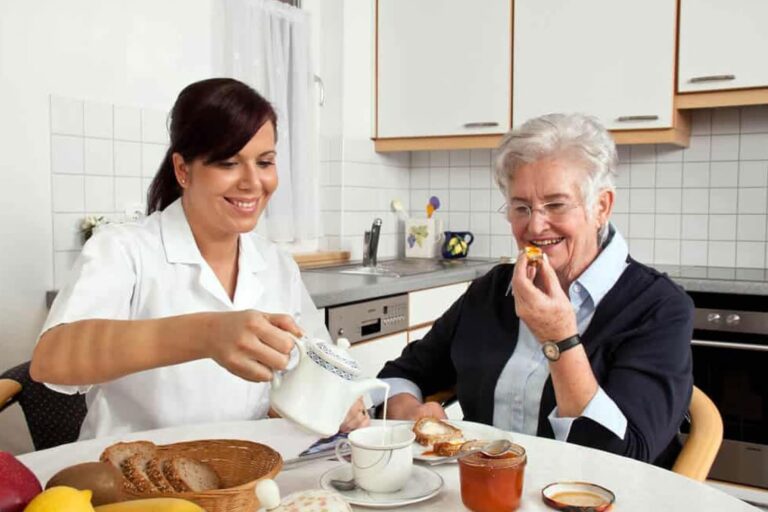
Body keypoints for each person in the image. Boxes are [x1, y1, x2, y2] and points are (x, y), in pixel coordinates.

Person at [31, 78, 370, 440]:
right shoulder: (125, 249)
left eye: (265, 162)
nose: (253, 182)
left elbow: (311, 364)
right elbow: (52, 359)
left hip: (245, 474)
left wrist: (339, 399)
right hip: (133, 480)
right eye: (228, 163)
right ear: (183, 170)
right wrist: (207, 334)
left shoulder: (275, 264)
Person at [378, 113, 694, 465]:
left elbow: (624, 459)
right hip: (484, 492)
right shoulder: (490, 291)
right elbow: (398, 376)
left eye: (556, 204)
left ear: (601, 206)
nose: (535, 225)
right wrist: (409, 415)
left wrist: (559, 338)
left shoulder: (659, 306)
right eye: (521, 207)